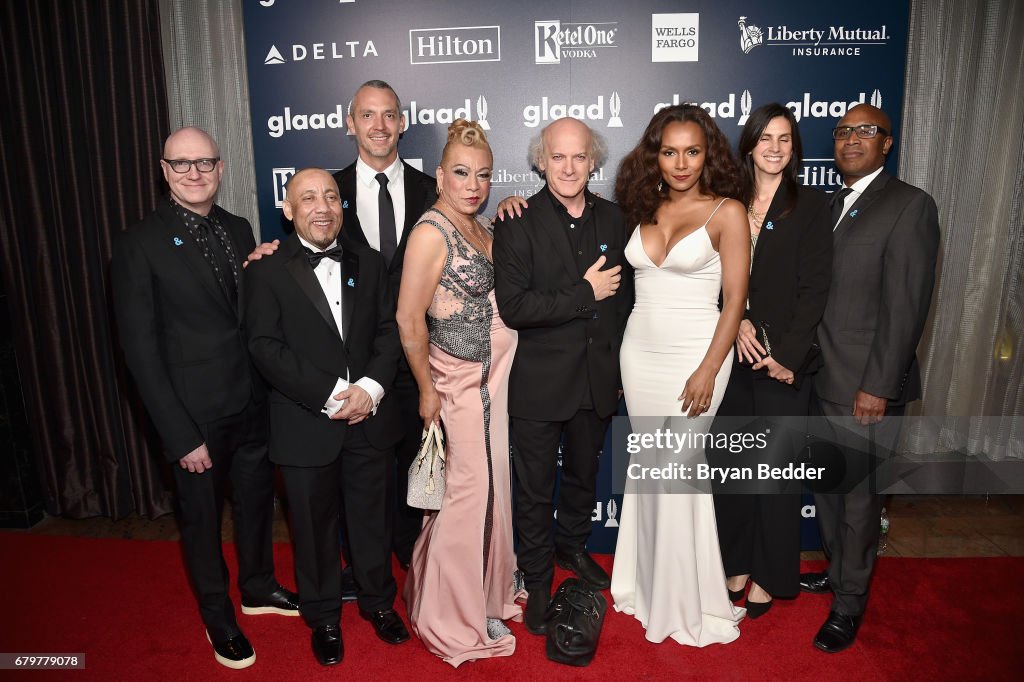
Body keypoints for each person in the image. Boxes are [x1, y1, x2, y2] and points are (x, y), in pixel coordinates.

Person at [111, 127, 298, 670]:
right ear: (165, 171)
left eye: (205, 162)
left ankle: (258, 587)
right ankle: (218, 617)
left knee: (257, 505)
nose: (195, 172)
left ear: (220, 168)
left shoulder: (239, 229)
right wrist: (179, 434)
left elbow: (246, 312)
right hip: (194, 418)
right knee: (200, 522)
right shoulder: (139, 243)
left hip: (252, 404)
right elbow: (140, 353)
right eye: (182, 164)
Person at [243, 168, 409, 666]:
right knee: (312, 530)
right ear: (288, 210)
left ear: (343, 206)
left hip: (369, 418)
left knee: (372, 521)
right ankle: (323, 617)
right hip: (304, 423)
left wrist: (371, 389)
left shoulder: (372, 263)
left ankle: (380, 604)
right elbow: (264, 347)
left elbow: (389, 331)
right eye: (308, 198)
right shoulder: (264, 270)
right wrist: (335, 393)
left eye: (332, 197)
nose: (323, 206)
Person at [800, 104, 939, 653]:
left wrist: (879, 385)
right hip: (821, 379)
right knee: (832, 494)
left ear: (888, 143)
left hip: (865, 386)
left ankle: (849, 605)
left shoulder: (909, 207)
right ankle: (839, 577)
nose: (852, 140)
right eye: (843, 131)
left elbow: (906, 309)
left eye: (866, 132)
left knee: (859, 502)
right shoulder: (830, 205)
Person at [609, 104, 748, 646]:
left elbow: (735, 299)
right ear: (655, 155)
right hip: (639, 355)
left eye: (693, 151)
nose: (681, 163)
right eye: (670, 152)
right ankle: (646, 585)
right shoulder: (641, 206)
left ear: (708, 153)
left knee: (677, 470)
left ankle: (681, 599)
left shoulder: (727, 212)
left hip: (698, 356)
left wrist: (709, 369)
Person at [492, 117, 633, 634]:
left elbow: (626, 303)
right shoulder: (516, 220)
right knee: (533, 490)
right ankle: (536, 578)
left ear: (593, 160)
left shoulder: (617, 220)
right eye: (557, 157)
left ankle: (572, 549)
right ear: (540, 161)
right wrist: (583, 293)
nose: (569, 167)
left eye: (579, 157)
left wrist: (618, 368)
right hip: (538, 384)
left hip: (596, 381)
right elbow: (514, 307)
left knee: (581, 477)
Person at [397, 119, 523, 666]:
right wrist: (427, 390)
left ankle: (484, 593)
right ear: (440, 175)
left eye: (484, 175)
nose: (473, 184)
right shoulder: (432, 231)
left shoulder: (480, 226)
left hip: (495, 384)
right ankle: (449, 616)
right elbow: (407, 319)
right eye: (462, 173)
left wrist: (514, 207)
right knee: (466, 499)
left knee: (491, 493)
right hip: (459, 385)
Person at [711, 104, 832, 618]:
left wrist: (788, 357)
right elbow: (710, 275)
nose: (775, 148)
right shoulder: (724, 202)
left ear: (795, 148)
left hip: (783, 362)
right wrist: (732, 320)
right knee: (733, 468)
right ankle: (735, 562)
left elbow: (815, 290)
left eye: (785, 139)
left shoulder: (810, 206)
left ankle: (769, 574)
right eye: (765, 138)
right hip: (732, 358)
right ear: (749, 145)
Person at [335, 80, 439, 571]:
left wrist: (505, 209)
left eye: (389, 115)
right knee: (364, 478)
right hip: (359, 367)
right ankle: (365, 569)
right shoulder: (327, 192)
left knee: (415, 476)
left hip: (423, 360)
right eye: (368, 115)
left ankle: (413, 562)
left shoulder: (432, 189)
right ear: (349, 122)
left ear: (402, 122)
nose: (379, 126)